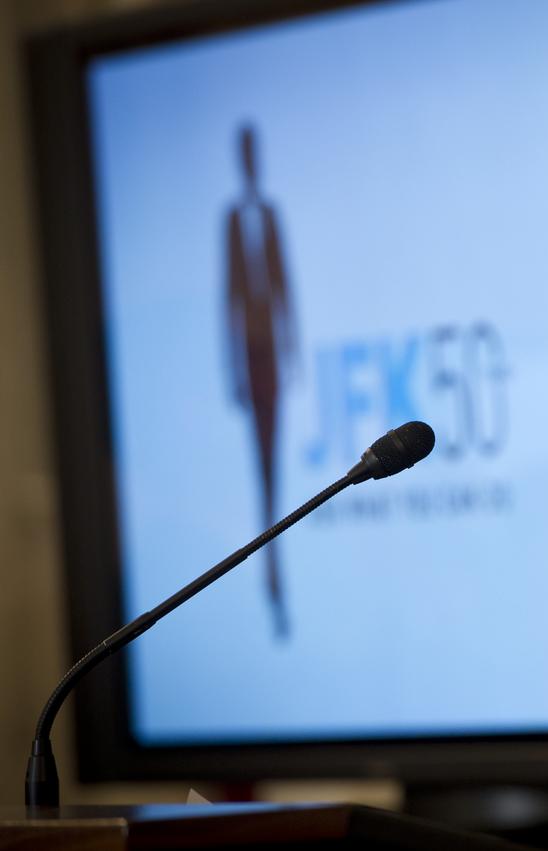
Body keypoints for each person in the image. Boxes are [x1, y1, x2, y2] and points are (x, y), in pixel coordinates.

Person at [226, 122, 299, 640]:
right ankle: (268, 574)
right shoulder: (230, 220)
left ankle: (277, 572)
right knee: (258, 465)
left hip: (273, 351)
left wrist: (293, 350)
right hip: (248, 355)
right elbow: (226, 298)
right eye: (244, 153)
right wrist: (232, 366)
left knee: (276, 463)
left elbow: (285, 285)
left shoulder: (272, 215)